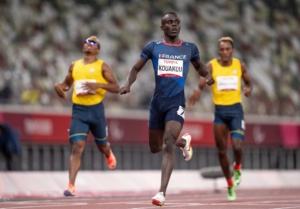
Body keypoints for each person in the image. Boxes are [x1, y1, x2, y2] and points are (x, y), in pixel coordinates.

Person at [119, 12, 214, 206]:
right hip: (157, 103)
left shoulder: (190, 48)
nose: (173, 25)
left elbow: (201, 67)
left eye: (176, 22)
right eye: (169, 23)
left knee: (168, 142)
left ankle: (161, 193)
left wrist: (209, 76)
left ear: (180, 25)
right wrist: (128, 84)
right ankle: (184, 142)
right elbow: (135, 68)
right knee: (155, 147)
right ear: (163, 27)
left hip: (176, 102)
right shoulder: (153, 47)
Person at [187, 37, 253, 201]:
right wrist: (197, 91)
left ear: (232, 51)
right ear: (219, 51)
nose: (224, 52)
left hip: (236, 110)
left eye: (227, 49)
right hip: (220, 112)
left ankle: (237, 167)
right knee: (222, 150)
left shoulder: (239, 65)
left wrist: (247, 89)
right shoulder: (212, 66)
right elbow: (202, 82)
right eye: (222, 50)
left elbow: (249, 82)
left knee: (237, 146)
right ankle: (230, 184)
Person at [54, 36, 120, 197]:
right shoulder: (74, 66)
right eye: (86, 42)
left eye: (93, 43)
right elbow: (67, 84)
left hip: (96, 110)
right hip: (79, 110)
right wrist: (58, 86)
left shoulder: (102, 66)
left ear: (97, 49)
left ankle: (107, 151)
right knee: (77, 146)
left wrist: (98, 85)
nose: (89, 44)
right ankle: (71, 186)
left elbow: (116, 87)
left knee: (102, 146)